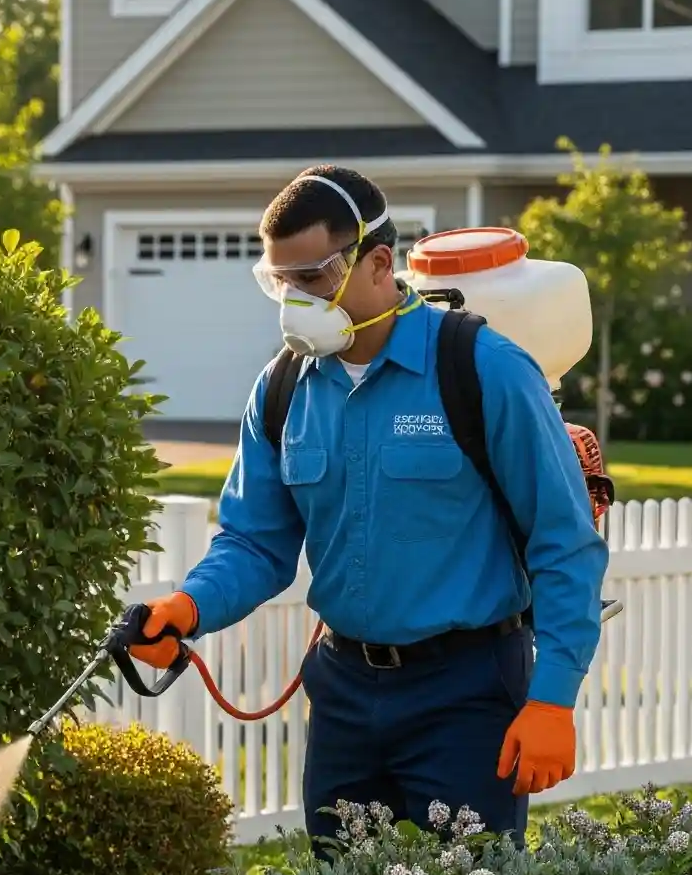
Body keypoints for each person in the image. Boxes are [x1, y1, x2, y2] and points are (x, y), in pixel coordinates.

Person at [118, 164, 608, 840]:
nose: (294, 300)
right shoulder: (284, 389)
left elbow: (566, 542)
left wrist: (552, 697)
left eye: (312, 278)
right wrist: (187, 606)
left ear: (379, 262)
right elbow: (256, 542)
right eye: (280, 283)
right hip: (345, 692)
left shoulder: (483, 369)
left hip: (466, 692)